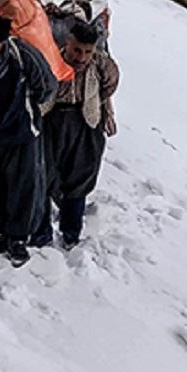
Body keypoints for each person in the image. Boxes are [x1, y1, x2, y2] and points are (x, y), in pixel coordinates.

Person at [0, 10, 55, 266]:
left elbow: (46, 87)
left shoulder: (23, 56)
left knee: (24, 187)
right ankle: (0, 234)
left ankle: (18, 239)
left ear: (2, 43)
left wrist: (29, 113)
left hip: (21, 134)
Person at [35, 20, 120, 249]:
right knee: (43, 176)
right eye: (76, 50)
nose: (81, 57)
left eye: (87, 52)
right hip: (52, 122)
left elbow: (109, 87)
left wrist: (103, 112)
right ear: (67, 44)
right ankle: (41, 233)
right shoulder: (51, 59)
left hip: (85, 122)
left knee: (79, 180)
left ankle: (71, 233)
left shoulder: (101, 66)